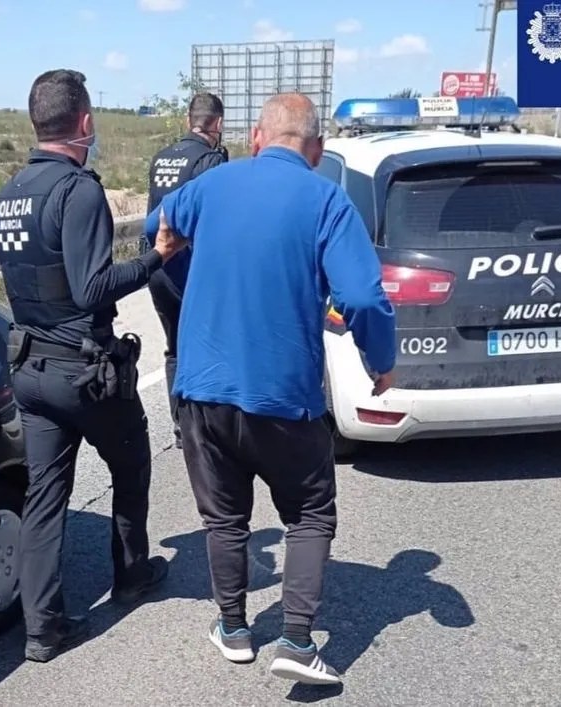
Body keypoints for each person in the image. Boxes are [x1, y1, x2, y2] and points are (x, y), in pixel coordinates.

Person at [143, 93, 397, 685]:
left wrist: (184, 265)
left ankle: (234, 629)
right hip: (284, 397)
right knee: (309, 513)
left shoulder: (212, 186)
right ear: (317, 150)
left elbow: (159, 228)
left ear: (256, 137)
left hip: (202, 392)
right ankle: (297, 641)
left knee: (224, 518)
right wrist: (380, 360)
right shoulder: (328, 200)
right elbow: (361, 296)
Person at [0, 69, 186, 663]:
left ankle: (42, 629)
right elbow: (92, 287)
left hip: (30, 370)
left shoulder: (8, 195)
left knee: (44, 497)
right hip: (85, 372)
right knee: (132, 462)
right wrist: (156, 257)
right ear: (84, 122)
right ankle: (131, 575)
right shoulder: (78, 191)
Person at [143, 92, 228, 448]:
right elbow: (219, 223)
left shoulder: (162, 157)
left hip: (157, 268)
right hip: (191, 271)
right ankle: (204, 425)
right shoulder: (210, 161)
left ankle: (180, 426)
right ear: (218, 125)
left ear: (187, 121)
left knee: (174, 346)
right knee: (206, 345)